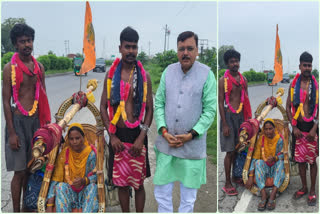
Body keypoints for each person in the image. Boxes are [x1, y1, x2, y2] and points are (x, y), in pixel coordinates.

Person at [153, 31, 216, 213]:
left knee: (188, 198)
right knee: (162, 193)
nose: (185, 53)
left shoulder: (207, 75)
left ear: (197, 51)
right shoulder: (168, 71)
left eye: (190, 48)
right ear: (177, 51)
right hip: (167, 144)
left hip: (192, 146)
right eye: (181, 49)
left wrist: (191, 134)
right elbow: (159, 103)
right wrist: (164, 131)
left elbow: (210, 110)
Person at [100, 26, 153, 212]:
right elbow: (103, 108)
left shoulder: (144, 76)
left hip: (138, 134)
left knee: (138, 184)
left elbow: (149, 110)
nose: (131, 51)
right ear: (120, 47)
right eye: (127, 46)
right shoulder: (111, 75)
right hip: (118, 135)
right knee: (121, 183)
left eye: (134, 47)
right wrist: (112, 136)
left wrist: (141, 137)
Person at [2, 23, 51, 212]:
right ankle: (16, 210)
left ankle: (27, 207)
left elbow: (44, 96)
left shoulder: (39, 67)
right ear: (15, 44)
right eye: (22, 42)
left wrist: (46, 127)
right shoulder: (9, 69)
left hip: (36, 123)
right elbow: (6, 102)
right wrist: (12, 133)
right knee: (19, 172)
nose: (27, 45)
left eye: (29, 41)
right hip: (18, 123)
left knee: (32, 168)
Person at [286, 52, 319, 206]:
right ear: (299, 66)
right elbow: (288, 106)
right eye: (304, 65)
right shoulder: (293, 85)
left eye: (309, 65)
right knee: (300, 160)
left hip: (312, 127)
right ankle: (304, 187)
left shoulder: (316, 86)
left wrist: (315, 127)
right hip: (298, 128)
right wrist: (293, 126)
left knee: (311, 161)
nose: (307, 68)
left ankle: (312, 190)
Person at [218, 49, 252, 196]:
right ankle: (227, 182)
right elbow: (220, 102)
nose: (235, 64)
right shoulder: (222, 80)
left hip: (241, 117)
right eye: (232, 61)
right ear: (227, 64)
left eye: (236, 61)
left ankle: (236, 176)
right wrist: (224, 123)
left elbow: (247, 99)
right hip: (229, 117)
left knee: (239, 149)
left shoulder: (243, 79)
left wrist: (248, 121)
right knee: (230, 151)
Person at [46, 123, 98, 212]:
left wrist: (84, 180)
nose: (74, 142)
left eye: (77, 138)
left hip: (85, 191)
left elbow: (97, 176)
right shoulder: (64, 154)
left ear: (83, 137)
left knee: (93, 187)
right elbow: (56, 180)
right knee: (60, 186)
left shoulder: (91, 154)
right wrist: (49, 205)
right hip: (70, 192)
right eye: (71, 139)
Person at [245, 119, 285, 211]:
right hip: (265, 167)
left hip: (276, 167)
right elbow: (255, 158)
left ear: (274, 129)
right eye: (266, 129)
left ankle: (273, 194)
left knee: (281, 162)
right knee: (258, 162)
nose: (268, 131)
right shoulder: (261, 139)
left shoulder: (279, 139)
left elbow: (284, 154)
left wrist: (275, 158)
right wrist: (250, 176)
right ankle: (263, 194)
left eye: (270, 129)